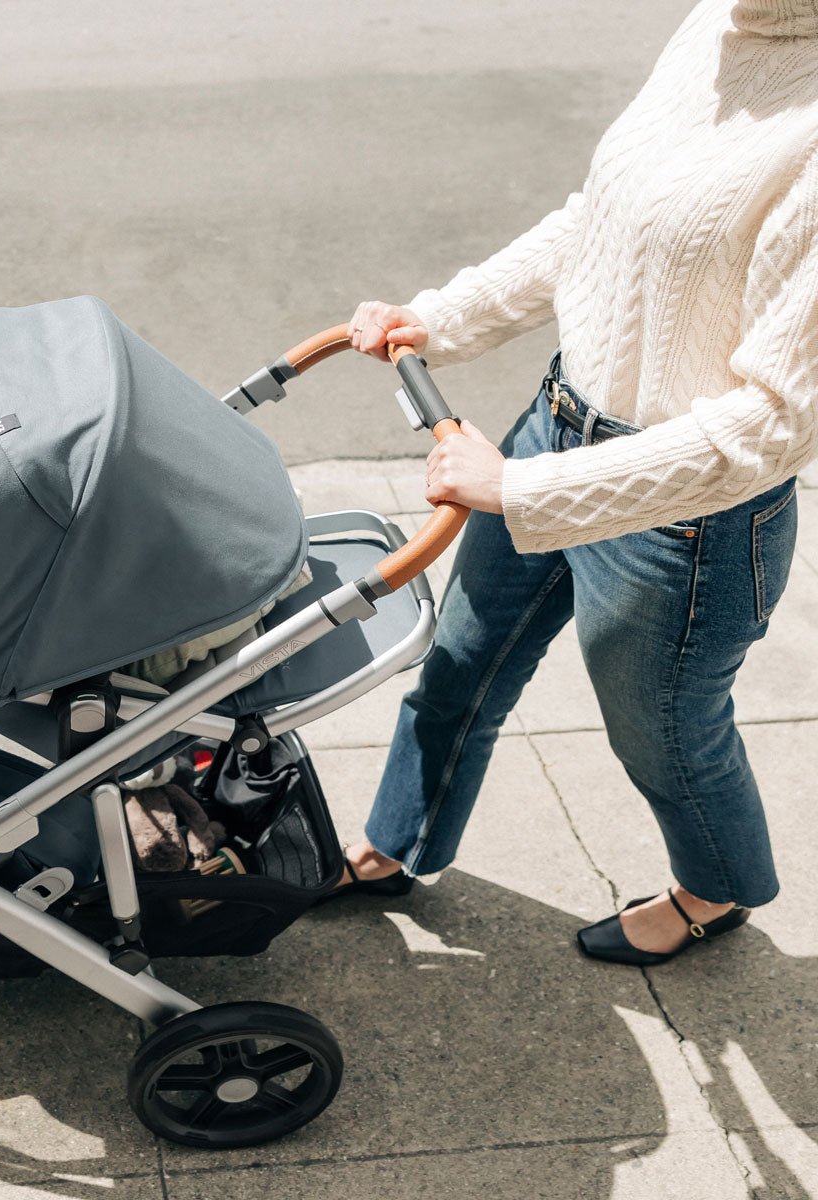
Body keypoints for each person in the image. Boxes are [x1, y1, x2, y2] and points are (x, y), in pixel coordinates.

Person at [335, 0, 818, 965]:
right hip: (554, 430)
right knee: (456, 670)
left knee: (664, 739)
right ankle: (395, 844)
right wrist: (446, 318)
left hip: (687, 522)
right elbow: (598, 223)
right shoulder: (716, 25)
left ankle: (714, 889)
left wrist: (522, 491)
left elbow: (773, 425)